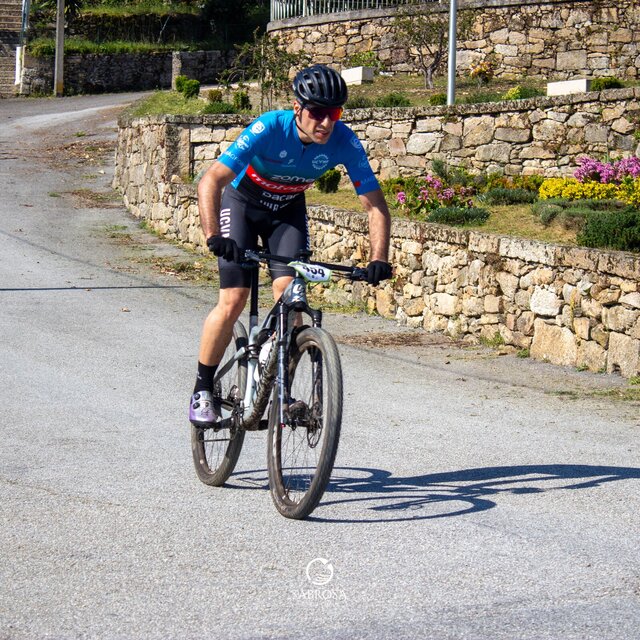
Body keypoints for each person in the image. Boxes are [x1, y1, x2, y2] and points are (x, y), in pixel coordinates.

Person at [189, 63, 393, 427]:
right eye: (317, 113)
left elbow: (375, 205)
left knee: (292, 298)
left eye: (334, 114)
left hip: (286, 211)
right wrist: (214, 237)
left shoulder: (344, 141)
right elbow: (211, 180)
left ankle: (281, 393)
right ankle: (202, 388)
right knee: (234, 298)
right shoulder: (269, 127)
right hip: (243, 204)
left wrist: (379, 258)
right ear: (298, 108)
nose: (326, 123)